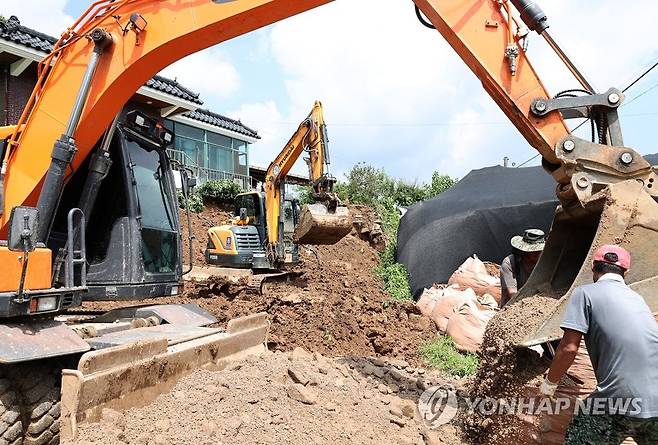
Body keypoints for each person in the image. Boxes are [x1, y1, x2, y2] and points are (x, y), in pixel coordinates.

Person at [539, 245, 658, 445]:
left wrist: (550, 383)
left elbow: (569, 347)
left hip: (619, 398)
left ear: (593, 267)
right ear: (626, 273)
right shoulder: (638, 298)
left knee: (581, 437)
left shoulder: (584, 294)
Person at [499, 228, 545, 307]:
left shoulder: (544, 262)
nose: (538, 253)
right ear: (525, 250)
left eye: (540, 250)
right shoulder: (510, 263)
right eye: (535, 251)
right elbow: (513, 294)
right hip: (514, 307)